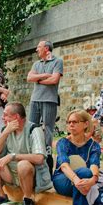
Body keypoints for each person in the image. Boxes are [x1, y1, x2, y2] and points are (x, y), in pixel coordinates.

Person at [0, 102, 51, 205]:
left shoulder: (34, 129)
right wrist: (5, 132)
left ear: (16, 117)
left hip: (30, 175)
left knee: (23, 165)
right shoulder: (6, 129)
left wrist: (13, 156)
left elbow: (39, 158)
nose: (2, 118)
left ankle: (28, 200)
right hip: (11, 175)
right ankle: (1, 196)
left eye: (6, 115)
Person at [26, 40, 64, 173]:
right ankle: (32, 151)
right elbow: (29, 78)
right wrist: (43, 76)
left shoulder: (57, 62)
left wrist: (38, 79)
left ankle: (47, 155)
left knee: (48, 128)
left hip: (49, 100)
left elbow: (54, 80)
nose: (36, 49)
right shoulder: (36, 63)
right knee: (31, 126)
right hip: (35, 99)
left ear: (46, 48)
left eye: (39, 47)